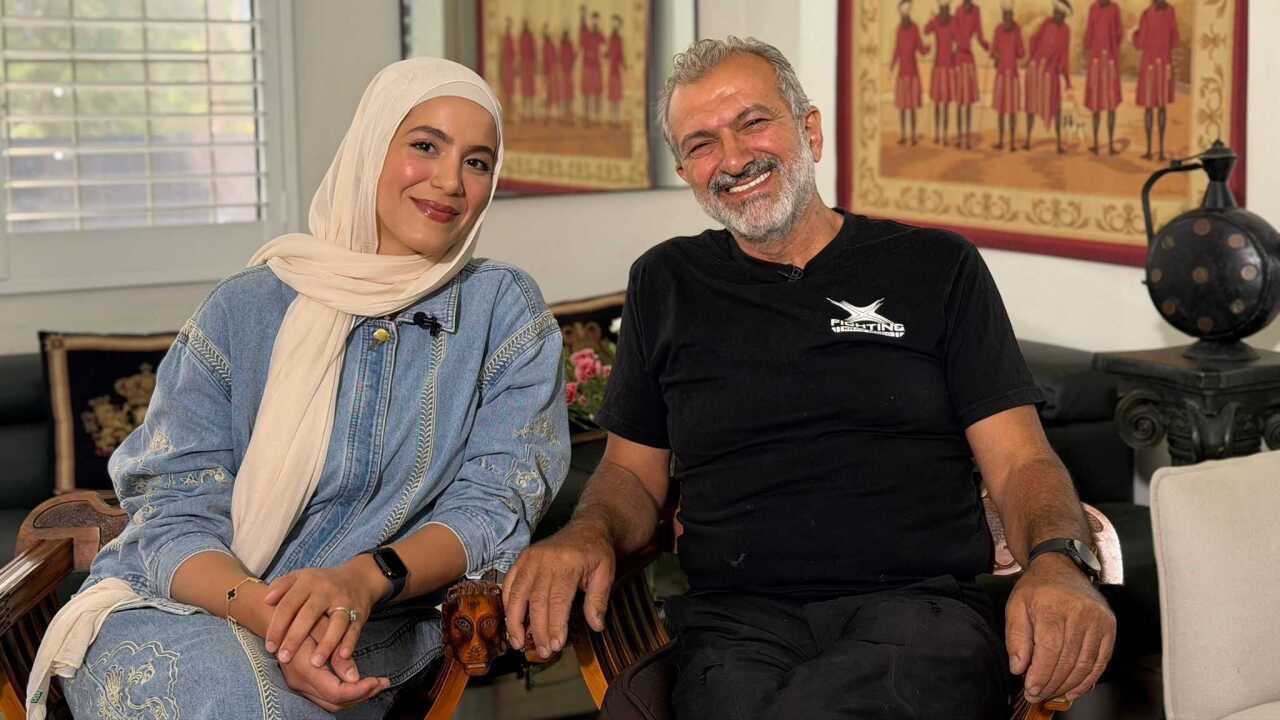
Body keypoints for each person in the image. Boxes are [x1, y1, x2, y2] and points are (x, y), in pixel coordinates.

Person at [502, 37, 1115, 719]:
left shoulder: (936, 268)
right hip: (736, 625)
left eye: (754, 122)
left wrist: (1060, 560)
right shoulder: (665, 282)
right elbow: (630, 476)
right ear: (686, 171)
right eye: (701, 144)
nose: (733, 159)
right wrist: (585, 532)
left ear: (810, 130)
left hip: (919, 615)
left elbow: (1022, 462)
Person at [27, 58, 569, 720]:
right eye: (425, 145)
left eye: (478, 162)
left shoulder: (502, 313)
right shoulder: (244, 309)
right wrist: (271, 613)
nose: (451, 181)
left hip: (370, 630)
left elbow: (495, 507)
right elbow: (173, 514)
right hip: (181, 610)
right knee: (214, 689)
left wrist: (363, 580)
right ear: (371, 149)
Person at [1133, 0, 1179, 161]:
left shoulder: (1146, 14)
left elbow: (1140, 43)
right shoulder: (1171, 11)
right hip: (1164, 63)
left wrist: (1135, 34)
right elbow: (1175, 40)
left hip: (1149, 65)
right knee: (1161, 107)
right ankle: (1160, 151)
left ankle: (1149, 150)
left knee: (1149, 108)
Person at [1025, 0, 1073, 154]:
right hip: (1036, 70)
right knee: (1031, 106)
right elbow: (1034, 40)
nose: (1057, 16)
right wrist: (1031, 61)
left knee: (1056, 107)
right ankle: (1027, 140)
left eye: (1060, 14)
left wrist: (1067, 80)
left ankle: (1059, 143)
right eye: (1055, 12)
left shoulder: (1066, 30)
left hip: (1051, 73)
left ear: (1064, 15)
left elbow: (1064, 55)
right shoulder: (1045, 23)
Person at [1083, 0, 1124, 155]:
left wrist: (1111, 49)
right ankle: (1095, 143)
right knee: (1096, 105)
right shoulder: (1093, 8)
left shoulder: (1115, 9)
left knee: (1111, 105)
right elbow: (1089, 34)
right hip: (1096, 61)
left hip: (1110, 61)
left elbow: (1119, 33)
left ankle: (1111, 144)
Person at [890, 0, 928, 146]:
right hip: (902, 74)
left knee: (911, 108)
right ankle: (904, 135)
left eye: (906, 13)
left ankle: (912, 136)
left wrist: (928, 48)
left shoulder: (915, 29)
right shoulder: (899, 30)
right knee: (903, 108)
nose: (904, 16)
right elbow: (897, 51)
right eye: (902, 14)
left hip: (912, 74)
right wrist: (892, 67)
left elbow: (920, 48)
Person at [991, 3, 1026, 152]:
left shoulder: (1017, 30)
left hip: (1012, 75)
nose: (1007, 18)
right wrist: (997, 57)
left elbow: (1021, 53)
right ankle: (1000, 141)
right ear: (1002, 16)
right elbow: (993, 51)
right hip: (1001, 75)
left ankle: (1011, 142)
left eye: (1010, 15)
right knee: (1001, 111)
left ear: (1012, 15)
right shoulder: (998, 29)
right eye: (1005, 15)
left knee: (1011, 112)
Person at [953, 0, 988, 149]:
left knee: (967, 103)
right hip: (958, 59)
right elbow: (953, 35)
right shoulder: (957, 10)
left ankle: (966, 138)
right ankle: (960, 137)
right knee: (959, 102)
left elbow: (980, 36)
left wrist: (990, 49)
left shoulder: (977, 10)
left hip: (968, 59)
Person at [924, 1, 958, 145]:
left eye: (946, 8)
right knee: (938, 104)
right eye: (942, 8)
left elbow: (958, 39)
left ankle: (943, 135)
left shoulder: (953, 21)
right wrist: (932, 19)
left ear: (948, 8)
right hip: (938, 67)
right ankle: (938, 134)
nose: (944, 11)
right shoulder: (936, 21)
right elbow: (925, 30)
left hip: (948, 67)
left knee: (945, 105)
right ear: (940, 8)